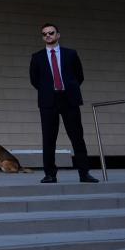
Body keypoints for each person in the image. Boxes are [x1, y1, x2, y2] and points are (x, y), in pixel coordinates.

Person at [29, 24, 98, 184]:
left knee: (77, 137)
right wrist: (49, 90)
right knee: (48, 138)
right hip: (48, 101)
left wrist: (68, 88)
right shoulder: (37, 57)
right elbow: (34, 80)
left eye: (51, 33)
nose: (48, 36)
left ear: (58, 35)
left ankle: (84, 173)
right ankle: (50, 174)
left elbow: (79, 76)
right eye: (44, 34)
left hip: (69, 99)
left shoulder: (71, 54)